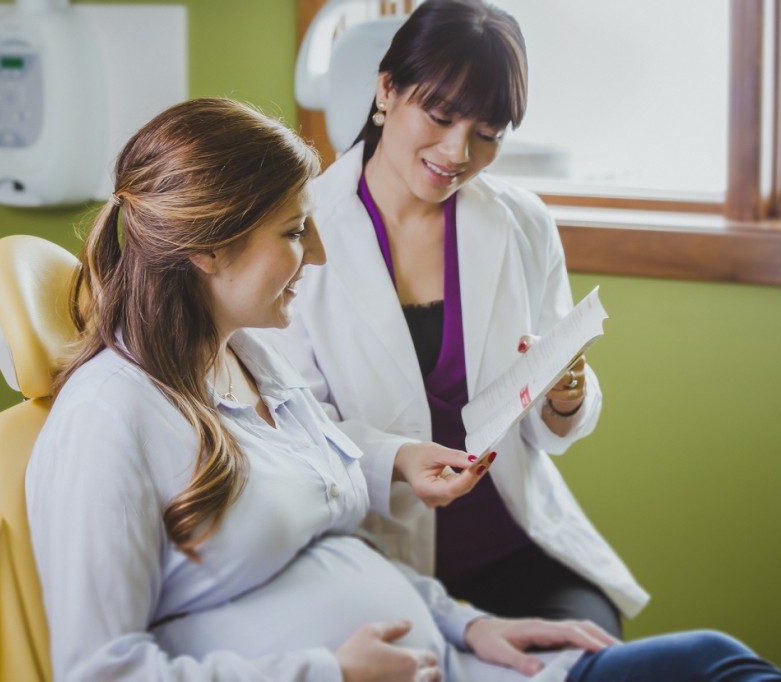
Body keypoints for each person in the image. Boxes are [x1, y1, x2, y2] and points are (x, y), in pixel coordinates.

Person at [25, 97, 781, 681]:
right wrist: (328, 674)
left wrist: (464, 625)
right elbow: (102, 670)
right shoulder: (109, 417)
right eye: (295, 232)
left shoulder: (252, 364)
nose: (320, 252)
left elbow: (332, 533)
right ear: (209, 249)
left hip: (461, 666)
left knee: (713, 660)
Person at [269, 0, 644, 636]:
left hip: (514, 547)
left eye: (489, 133)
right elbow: (290, 430)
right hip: (373, 554)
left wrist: (566, 394)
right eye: (440, 116)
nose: (458, 151)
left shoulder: (522, 223)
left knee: (587, 657)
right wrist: (397, 457)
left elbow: (550, 419)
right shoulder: (297, 233)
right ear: (386, 89)